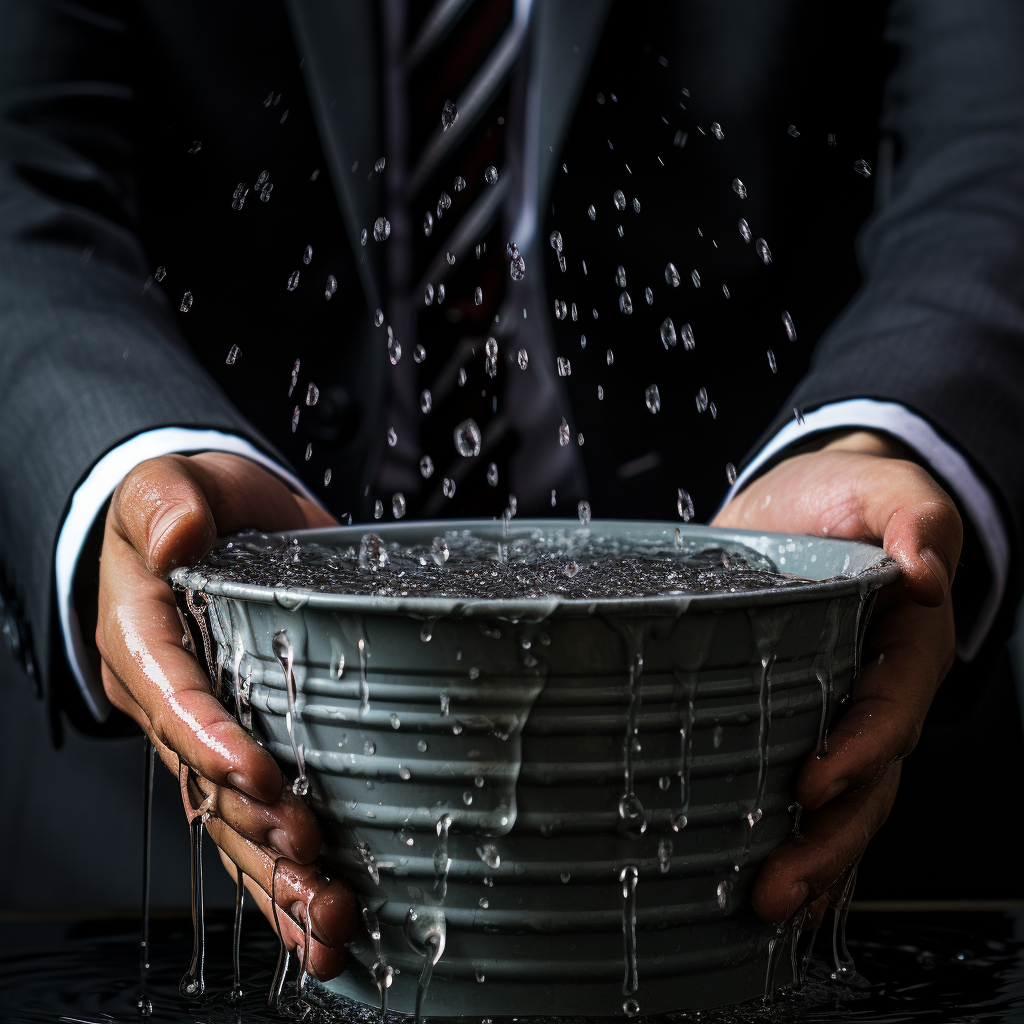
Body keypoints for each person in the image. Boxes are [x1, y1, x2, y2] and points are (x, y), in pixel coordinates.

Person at [1, 0, 1021, 981]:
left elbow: (996, 149)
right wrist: (126, 463)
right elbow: (19, 177)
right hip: (174, 862)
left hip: (802, 799)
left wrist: (883, 440)